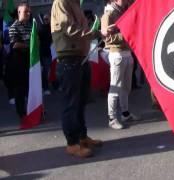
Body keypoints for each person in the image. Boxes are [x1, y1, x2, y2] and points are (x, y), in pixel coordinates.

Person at [51, 0, 102, 158]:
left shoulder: (74, 3)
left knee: (80, 101)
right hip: (69, 60)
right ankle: (72, 143)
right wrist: (96, 33)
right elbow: (70, 28)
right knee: (71, 104)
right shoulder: (61, 2)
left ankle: (82, 137)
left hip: (80, 58)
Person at [101, 0, 138, 130]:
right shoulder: (108, 14)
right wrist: (126, 34)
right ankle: (112, 118)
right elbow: (106, 37)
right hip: (116, 53)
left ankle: (125, 113)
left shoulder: (124, 10)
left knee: (126, 86)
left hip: (127, 52)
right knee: (115, 87)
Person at [8, 3, 32, 119]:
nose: (28, 13)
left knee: (31, 87)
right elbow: (15, 44)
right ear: (18, 13)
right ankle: (21, 113)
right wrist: (29, 45)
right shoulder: (14, 27)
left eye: (29, 11)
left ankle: (33, 109)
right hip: (18, 63)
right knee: (20, 90)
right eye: (25, 11)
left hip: (30, 61)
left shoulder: (31, 26)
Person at [38, 14, 52, 95]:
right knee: (45, 71)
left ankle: (54, 84)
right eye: (45, 19)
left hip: (51, 53)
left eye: (47, 19)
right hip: (44, 53)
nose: (46, 20)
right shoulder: (41, 29)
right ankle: (45, 87)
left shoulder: (52, 28)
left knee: (51, 69)